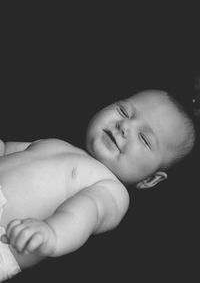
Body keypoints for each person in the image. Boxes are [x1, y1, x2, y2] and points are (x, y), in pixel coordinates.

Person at [0, 89, 196, 281]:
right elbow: (7, 150)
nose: (125, 126)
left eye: (144, 138)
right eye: (124, 111)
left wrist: (51, 233)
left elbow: (82, 215)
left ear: (150, 179)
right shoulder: (55, 143)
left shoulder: (110, 189)